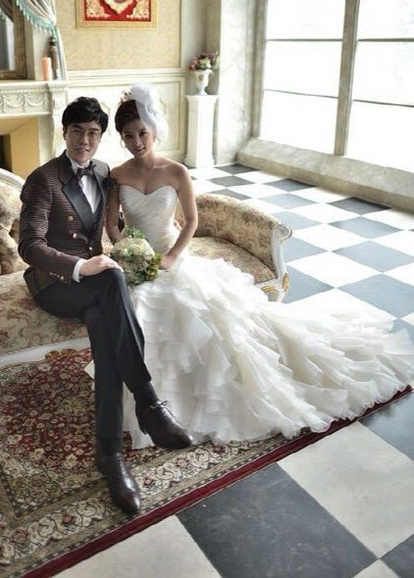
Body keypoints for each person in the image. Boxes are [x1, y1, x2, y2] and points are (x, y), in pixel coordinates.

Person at [106, 84, 414, 449]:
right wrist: (129, 252)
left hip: (173, 257)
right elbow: (113, 226)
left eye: (142, 133)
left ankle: (184, 401)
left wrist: (171, 257)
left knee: (191, 313)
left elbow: (191, 222)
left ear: (155, 130)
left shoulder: (176, 171)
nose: (137, 142)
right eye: (128, 136)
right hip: (138, 262)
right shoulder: (117, 175)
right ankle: (149, 402)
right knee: (136, 309)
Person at [18, 97, 192, 516]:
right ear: (64, 132)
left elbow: (114, 224)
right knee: (111, 279)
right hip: (55, 283)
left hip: (96, 289)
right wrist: (81, 267)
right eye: (77, 131)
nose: (85, 140)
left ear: (100, 137)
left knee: (104, 325)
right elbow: (29, 246)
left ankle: (109, 454)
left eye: (93, 133)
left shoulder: (102, 172)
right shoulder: (43, 180)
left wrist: (145, 240)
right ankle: (149, 403)